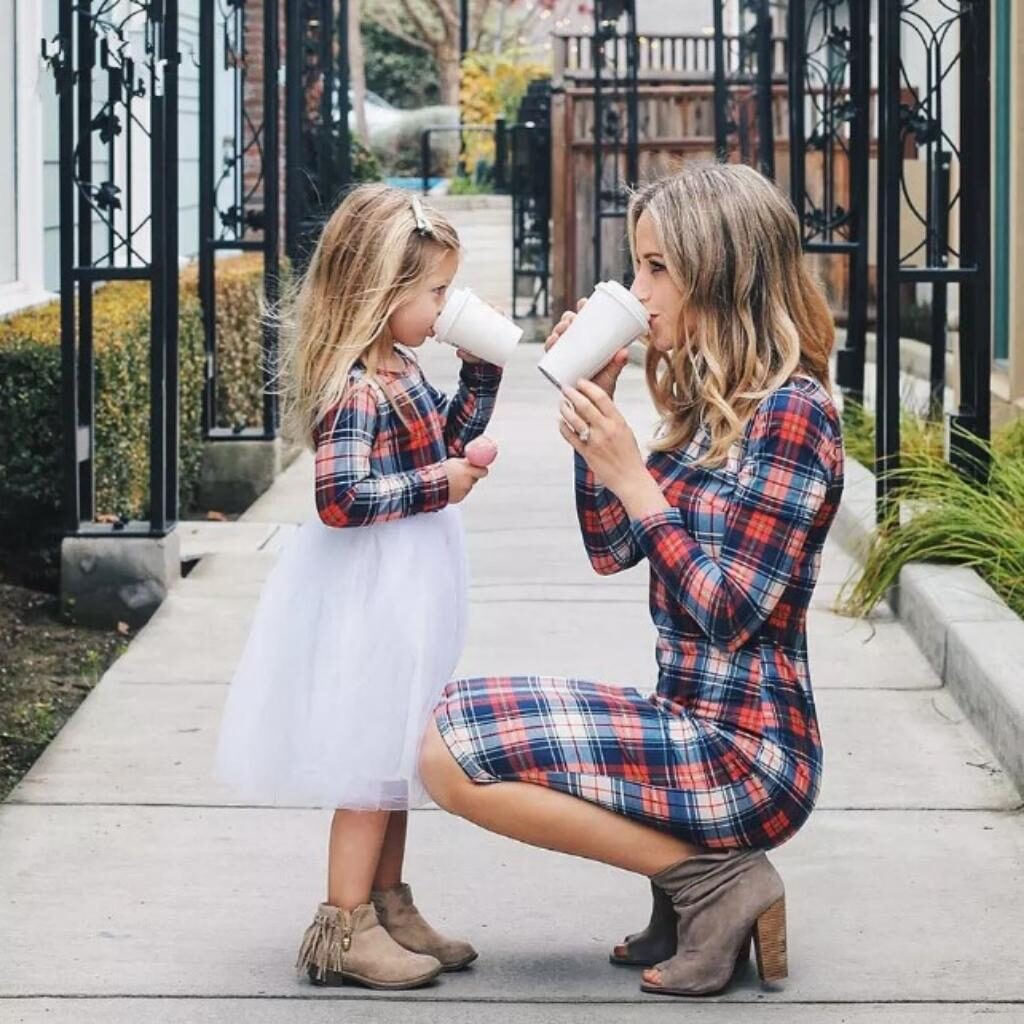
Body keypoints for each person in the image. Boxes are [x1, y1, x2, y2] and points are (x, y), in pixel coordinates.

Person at [420, 162, 844, 997]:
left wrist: (636, 479)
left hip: (751, 754)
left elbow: (730, 614)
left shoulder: (794, 414)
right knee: (438, 722)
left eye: (657, 268)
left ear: (718, 273)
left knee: (447, 758)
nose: (637, 290)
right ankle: (690, 882)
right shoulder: (706, 401)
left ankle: (716, 883)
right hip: (685, 719)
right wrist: (598, 432)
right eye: (638, 265)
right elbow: (612, 549)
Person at [215, 184, 502, 990]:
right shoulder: (355, 389)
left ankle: (388, 904)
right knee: (367, 760)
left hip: (410, 583)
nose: (447, 307)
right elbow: (340, 501)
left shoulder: (401, 366)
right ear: (382, 294)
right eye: (436, 292)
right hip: (375, 589)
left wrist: (478, 379)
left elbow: (445, 437)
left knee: (397, 752)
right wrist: (437, 486)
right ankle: (342, 928)